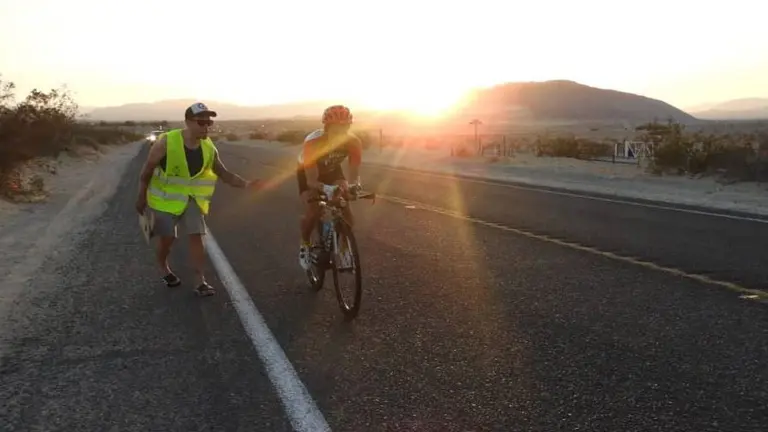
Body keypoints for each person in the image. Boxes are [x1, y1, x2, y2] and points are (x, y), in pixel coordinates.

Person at [135, 102, 265, 296]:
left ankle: (200, 281)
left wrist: (246, 184)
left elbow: (222, 172)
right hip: (165, 199)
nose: (206, 127)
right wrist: (141, 197)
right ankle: (163, 266)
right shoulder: (167, 142)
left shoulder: (208, 147)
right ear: (188, 122)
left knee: (197, 234)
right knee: (168, 239)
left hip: (192, 199)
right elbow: (147, 171)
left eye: (209, 122)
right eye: (201, 122)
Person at [296, 104, 363, 270]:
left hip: (332, 170)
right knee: (314, 209)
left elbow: (353, 171)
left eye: (344, 128)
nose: (340, 133)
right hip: (308, 172)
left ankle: (345, 250)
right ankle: (305, 244)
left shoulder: (354, 142)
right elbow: (312, 180)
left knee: (345, 208)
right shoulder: (313, 141)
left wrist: (353, 187)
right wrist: (324, 188)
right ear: (326, 128)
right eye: (336, 129)